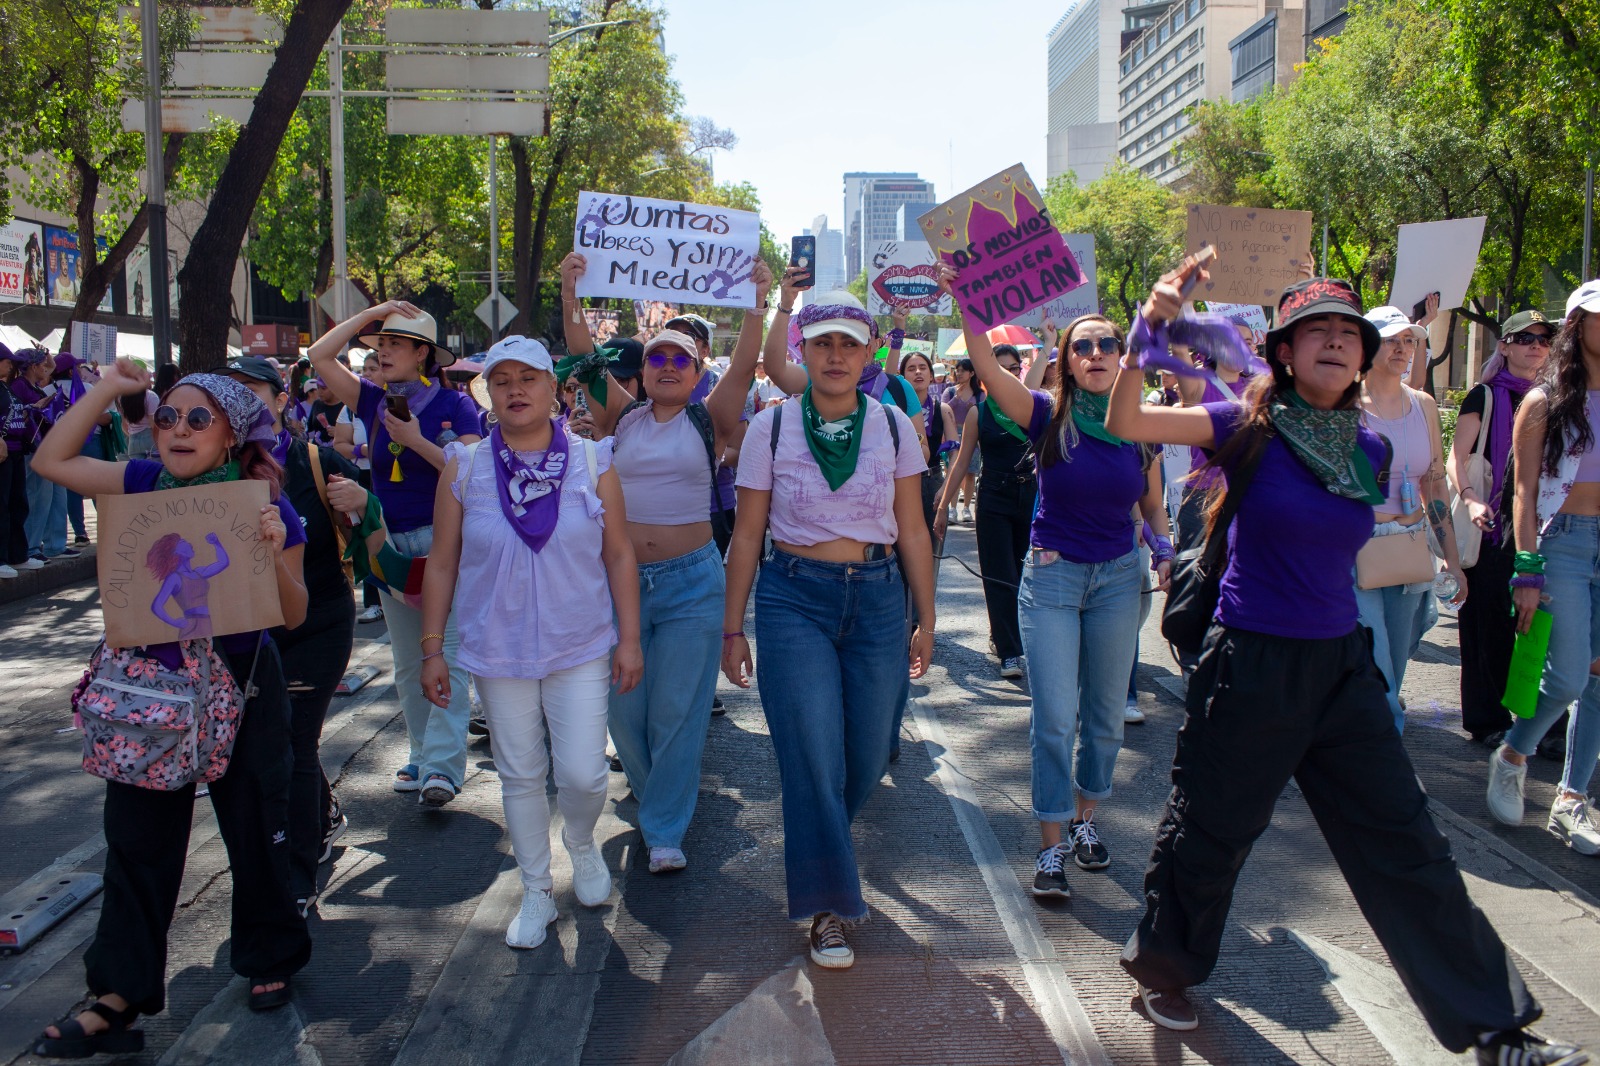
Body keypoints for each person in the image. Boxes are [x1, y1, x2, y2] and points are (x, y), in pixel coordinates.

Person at [1102, 268, 1586, 1066]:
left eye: (1347, 333)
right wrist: (1149, 326)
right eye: (1316, 331)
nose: (1335, 341)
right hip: (1251, 664)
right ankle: (1166, 968)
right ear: (1285, 353)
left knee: (1409, 842)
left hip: (1343, 670)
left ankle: (1498, 1032)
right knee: (1212, 833)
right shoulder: (1242, 426)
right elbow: (1126, 421)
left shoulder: (1365, 442)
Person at [30, 359, 311, 1057]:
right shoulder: (140, 482)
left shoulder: (266, 500)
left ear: (230, 434)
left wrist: (275, 553)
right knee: (136, 838)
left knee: (255, 822)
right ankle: (116, 996)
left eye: (197, 419)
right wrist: (105, 389)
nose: (177, 431)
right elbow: (51, 459)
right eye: (166, 417)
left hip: (241, 684)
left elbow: (297, 612)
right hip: (151, 696)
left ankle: (270, 954)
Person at [722, 296, 935, 971]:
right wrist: (733, 628)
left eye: (849, 343)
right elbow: (748, 533)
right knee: (812, 750)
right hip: (793, 600)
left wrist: (925, 619)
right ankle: (826, 907)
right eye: (822, 344)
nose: (836, 355)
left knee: (868, 754)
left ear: (869, 351)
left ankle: (820, 847)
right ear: (803, 353)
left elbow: (914, 531)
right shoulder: (772, 429)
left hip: (877, 601)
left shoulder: (896, 427)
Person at [945, 283, 1173, 898]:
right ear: (1068, 360)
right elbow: (988, 368)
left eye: (1109, 345)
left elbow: (1152, 507)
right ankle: (1049, 850)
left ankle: (1084, 821)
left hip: (1120, 580)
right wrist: (970, 306)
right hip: (1051, 579)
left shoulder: (1141, 426)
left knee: (1104, 718)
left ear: (1123, 357)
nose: (1097, 353)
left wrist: (1165, 550)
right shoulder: (1046, 414)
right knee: (1054, 718)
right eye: (1084, 346)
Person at [418, 336, 643, 948]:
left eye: (529, 379)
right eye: (503, 380)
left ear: (554, 389)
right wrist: (432, 648)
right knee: (519, 773)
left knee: (583, 775)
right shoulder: (463, 468)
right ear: (489, 393)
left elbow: (619, 554)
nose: (516, 390)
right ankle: (538, 888)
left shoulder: (595, 462)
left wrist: (630, 640)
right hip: (498, 648)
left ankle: (580, 843)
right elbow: (442, 562)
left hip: (581, 642)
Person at [560, 252, 769, 874]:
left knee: (678, 710)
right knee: (626, 710)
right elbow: (582, 354)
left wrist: (759, 300)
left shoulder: (714, 417)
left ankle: (665, 827)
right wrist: (569, 290)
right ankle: (657, 802)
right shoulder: (619, 414)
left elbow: (748, 357)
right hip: (618, 586)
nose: (669, 366)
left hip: (693, 584)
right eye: (658, 356)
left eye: (682, 358)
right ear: (644, 370)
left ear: (700, 370)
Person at [309, 302, 483, 807]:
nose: (382, 351)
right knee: (408, 661)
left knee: (445, 655)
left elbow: (473, 474)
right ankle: (420, 751)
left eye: (394, 344)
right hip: (386, 540)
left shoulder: (455, 405)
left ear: (422, 354)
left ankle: (444, 769)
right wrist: (376, 311)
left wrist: (417, 440)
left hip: (445, 544)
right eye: (378, 343)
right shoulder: (370, 400)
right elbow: (320, 355)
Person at [226, 355, 370, 911]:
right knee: (260, 748)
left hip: (319, 623)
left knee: (295, 742)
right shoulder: (208, 473)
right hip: (247, 633)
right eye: (227, 394)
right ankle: (319, 812)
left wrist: (361, 505)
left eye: (252, 391)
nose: (238, 404)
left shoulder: (315, 460)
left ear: (282, 399)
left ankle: (298, 876)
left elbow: (371, 521)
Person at [1490, 281, 1600, 856]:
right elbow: (1523, 493)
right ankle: (1513, 753)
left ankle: (1571, 799)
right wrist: (1527, 570)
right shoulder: (1545, 400)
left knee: (1599, 680)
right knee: (1567, 677)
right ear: (1577, 324)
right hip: (1564, 542)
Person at [1356, 305, 1468, 732]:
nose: (1402, 348)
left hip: (1409, 548)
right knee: (1377, 663)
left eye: (1409, 339)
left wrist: (1453, 561)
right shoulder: (1345, 405)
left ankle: (1365, 749)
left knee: (1396, 664)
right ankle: (1386, 772)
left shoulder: (1423, 405)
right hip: (1358, 547)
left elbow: (1436, 485)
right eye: (1391, 339)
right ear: (1368, 345)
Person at [1448, 310, 1552, 744]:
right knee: (1486, 629)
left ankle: (1547, 726)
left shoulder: (1561, 397)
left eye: (1544, 339)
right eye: (1524, 337)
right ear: (1504, 346)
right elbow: (1456, 456)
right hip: (1492, 526)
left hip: (1546, 527)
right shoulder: (1484, 395)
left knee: (1543, 630)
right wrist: (1471, 499)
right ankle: (1489, 721)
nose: (1535, 345)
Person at [934, 344, 1034, 679]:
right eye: (999, 369)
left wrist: (1048, 343)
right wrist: (943, 506)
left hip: (1031, 497)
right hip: (993, 498)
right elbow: (962, 460)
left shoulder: (1036, 408)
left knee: (1026, 573)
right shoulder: (980, 412)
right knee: (999, 574)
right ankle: (1009, 651)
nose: (1009, 375)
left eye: (1014, 369)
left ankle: (1018, 636)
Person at [334, 350, 385, 623]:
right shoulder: (350, 407)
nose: (366, 373)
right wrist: (363, 449)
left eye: (373, 368)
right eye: (364, 368)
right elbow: (339, 445)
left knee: (389, 538)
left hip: (390, 479)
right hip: (362, 480)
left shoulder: (395, 403)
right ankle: (373, 601)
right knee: (366, 539)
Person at [14, 349, 71, 564]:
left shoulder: (33, 385)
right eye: (41, 364)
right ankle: (30, 546)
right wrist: (35, 408)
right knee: (36, 497)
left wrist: (45, 355)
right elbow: (19, 414)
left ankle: (46, 544)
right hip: (32, 449)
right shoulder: (20, 386)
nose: (45, 368)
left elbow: (53, 367)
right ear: (33, 366)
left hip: (44, 448)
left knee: (48, 497)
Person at [899, 349, 956, 534]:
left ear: (931, 375)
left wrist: (946, 487)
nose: (918, 372)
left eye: (923, 368)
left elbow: (956, 453)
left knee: (933, 548)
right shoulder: (894, 410)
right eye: (911, 368)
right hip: (902, 483)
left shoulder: (943, 409)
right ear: (901, 377)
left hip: (934, 482)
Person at [0, 346, 34, 577]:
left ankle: (17, 555)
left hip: (15, 451)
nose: (10, 365)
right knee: (1, 506)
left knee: (17, 503)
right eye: (6, 360)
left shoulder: (5, 387)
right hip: (2, 452)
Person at [944, 358, 983, 523]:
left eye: (962, 370)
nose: (959, 373)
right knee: (952, 472)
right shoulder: (950, 391)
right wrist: (956, 399)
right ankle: (952, 509)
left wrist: (972, 409)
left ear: (972, 373)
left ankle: (966, 508)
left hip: (973, 434)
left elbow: (983, 413)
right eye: (957, 370)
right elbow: (943, 411)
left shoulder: (979, 393)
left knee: (970, 473)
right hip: (953, 433)